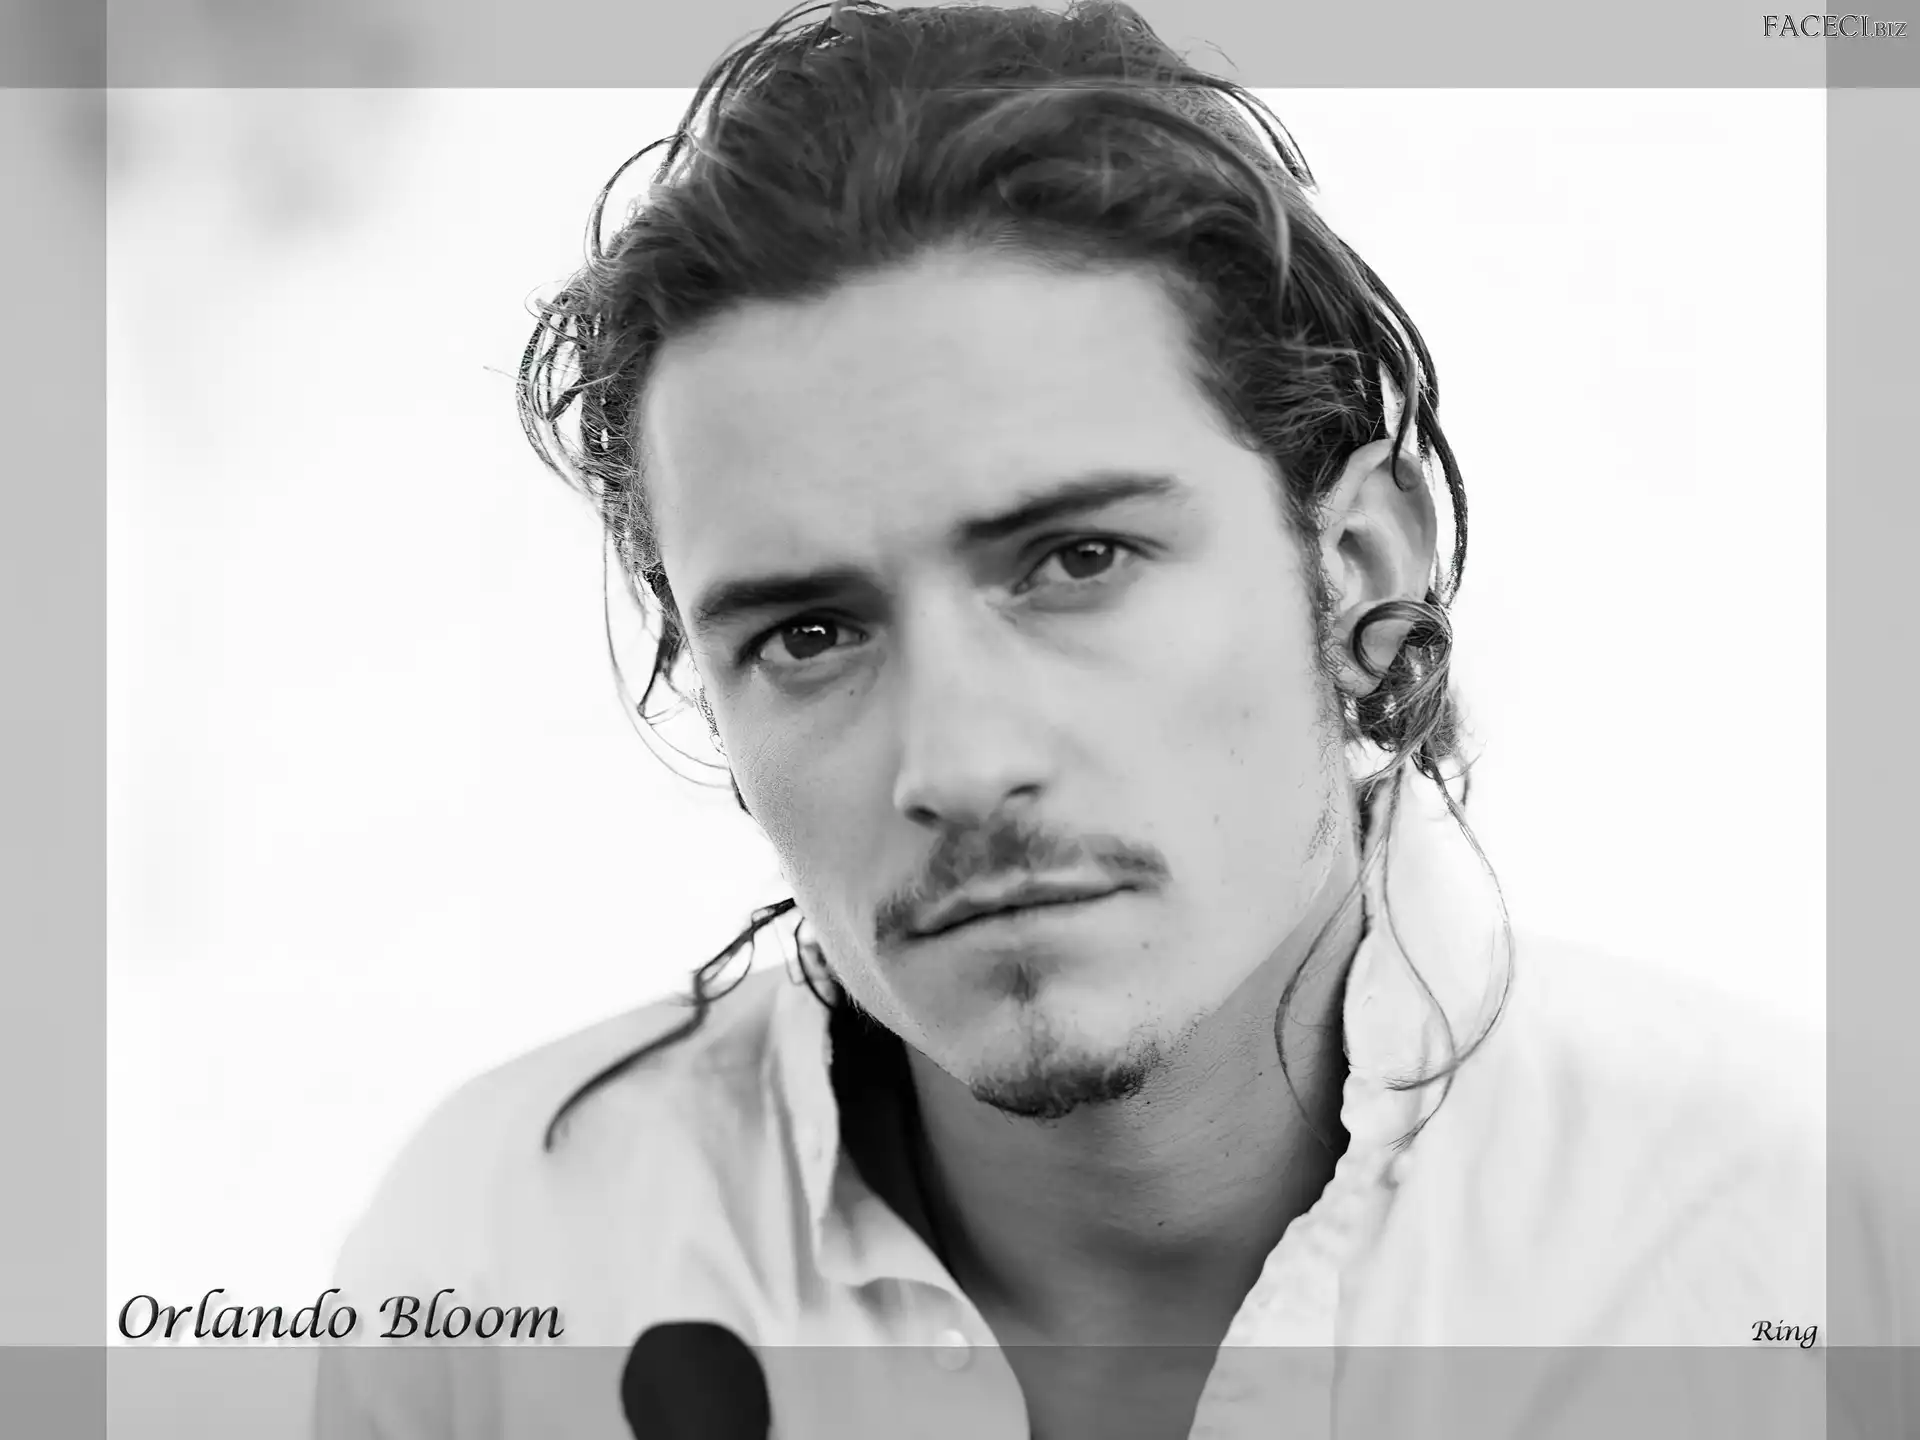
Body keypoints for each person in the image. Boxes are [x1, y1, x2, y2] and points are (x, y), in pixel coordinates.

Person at [315, 4, 1850, 1436]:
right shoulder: (508, 1270)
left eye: (1077, 561)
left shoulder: (1790, 1244)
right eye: (808, 635)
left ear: (1363, 568)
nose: (960, 763)